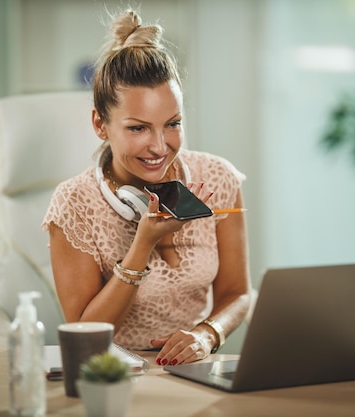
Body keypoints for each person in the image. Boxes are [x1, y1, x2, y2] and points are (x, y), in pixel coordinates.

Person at [41, 9, 251, 366]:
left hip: (196, 368)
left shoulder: (218, 177)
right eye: (138, 128)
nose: (159, 146)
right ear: (100, 124)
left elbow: (238, 293)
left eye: (172, 124)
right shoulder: (73, 203)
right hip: (113, 372)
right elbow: (84, 333)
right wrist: (142, 245)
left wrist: (206, 334)